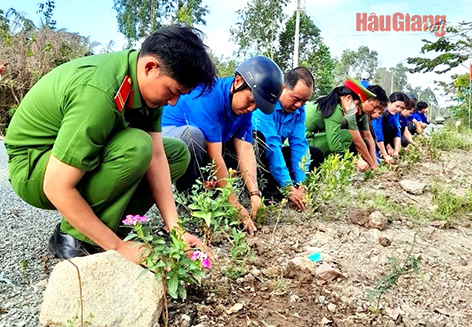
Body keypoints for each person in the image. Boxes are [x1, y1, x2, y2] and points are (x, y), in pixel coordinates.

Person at [5, 25, 216, 263]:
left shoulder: (147, 90)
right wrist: (117, 248)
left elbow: (158, 157)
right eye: (172, 91)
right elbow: (55, 186)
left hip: (69, 161)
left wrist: (176, 231)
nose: (174, 102)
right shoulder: (100, 91)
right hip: (34, 168)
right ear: (150, 67)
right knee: (136, 146)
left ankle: (106, 228)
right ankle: (72, 237)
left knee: (176, 154)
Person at [161, 56, 283, 235]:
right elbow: (214, 157)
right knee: (192, 136)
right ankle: (184, 205)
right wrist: (234, 204)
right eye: (250, 100)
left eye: (256, 106)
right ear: (238, 81)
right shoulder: (209, 95)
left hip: (204, 145)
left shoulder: (244, 110)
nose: (251, 108)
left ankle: (211, 197)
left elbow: (246, 150)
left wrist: (255, 195)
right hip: (169, 139)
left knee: (256, 140)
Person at [252, 67, 324, 211]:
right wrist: (288, 187)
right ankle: (270, 193)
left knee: (315, 154)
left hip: (275, 155)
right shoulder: (266, 103)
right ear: (282, 88)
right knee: (259, 143)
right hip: (258, 156)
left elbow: (299, 144)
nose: (299, 105)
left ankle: (293, 192)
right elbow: (272, 146)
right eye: (296, 99)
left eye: (304, 102)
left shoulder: (299, 111)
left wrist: (300, 184)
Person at [305, 77, 375, 160]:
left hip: (298, 140)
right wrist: (354, 160)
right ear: (348, 98)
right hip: (303, 143)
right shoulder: (336, 110)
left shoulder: (329, 101)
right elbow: (334, 146)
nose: (356, 109)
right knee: (347, 135)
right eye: (357, 104)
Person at [342, 84, 388, 171]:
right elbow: (357, 140)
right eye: (374, 106)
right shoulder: (351, 109)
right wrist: (371, 164)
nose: (374, 111)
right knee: (350, 137)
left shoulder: (363, 114)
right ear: (364, 99)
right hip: (336, 141)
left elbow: (368, 137)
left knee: (365, 141)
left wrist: (374, 162)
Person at [371, 92, 409, 163]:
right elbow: (378, 134)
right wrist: (385, 155)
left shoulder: (395, 114)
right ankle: (380, 152)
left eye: (401, 108)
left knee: (392, 128)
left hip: (384, 140)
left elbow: (397, 132)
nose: (398, 109)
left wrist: (396, 151)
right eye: (397, 106)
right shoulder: (380, 112)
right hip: (373, 139)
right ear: (389, 102)